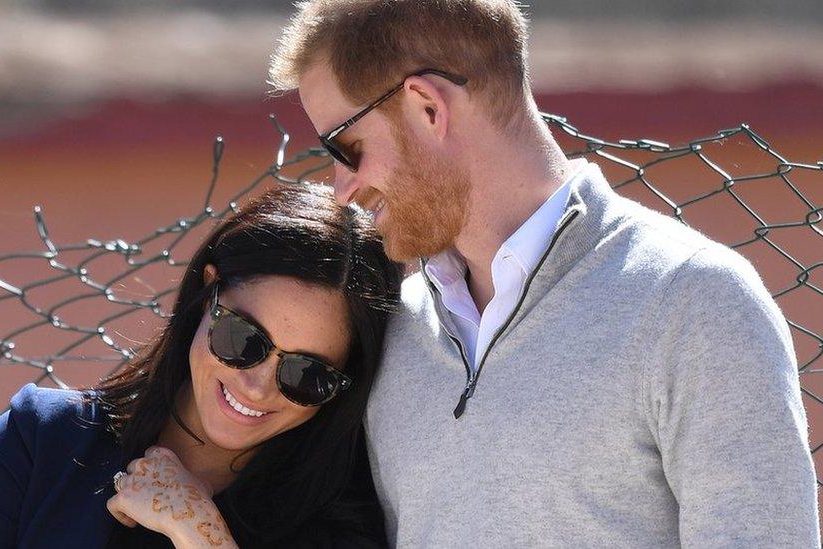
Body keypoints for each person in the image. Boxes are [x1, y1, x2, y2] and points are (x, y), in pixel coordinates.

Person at [269, 1, 820, 546]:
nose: (342, 189)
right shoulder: (397, 324)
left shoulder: (695, 302)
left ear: (426, 108)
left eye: (346, 147)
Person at [0, 184, 402, 548]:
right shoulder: (43, 439)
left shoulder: (343, 524)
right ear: (206, 294)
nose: (258, 387)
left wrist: (201, 533)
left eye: (307, 375)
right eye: (243, 340)